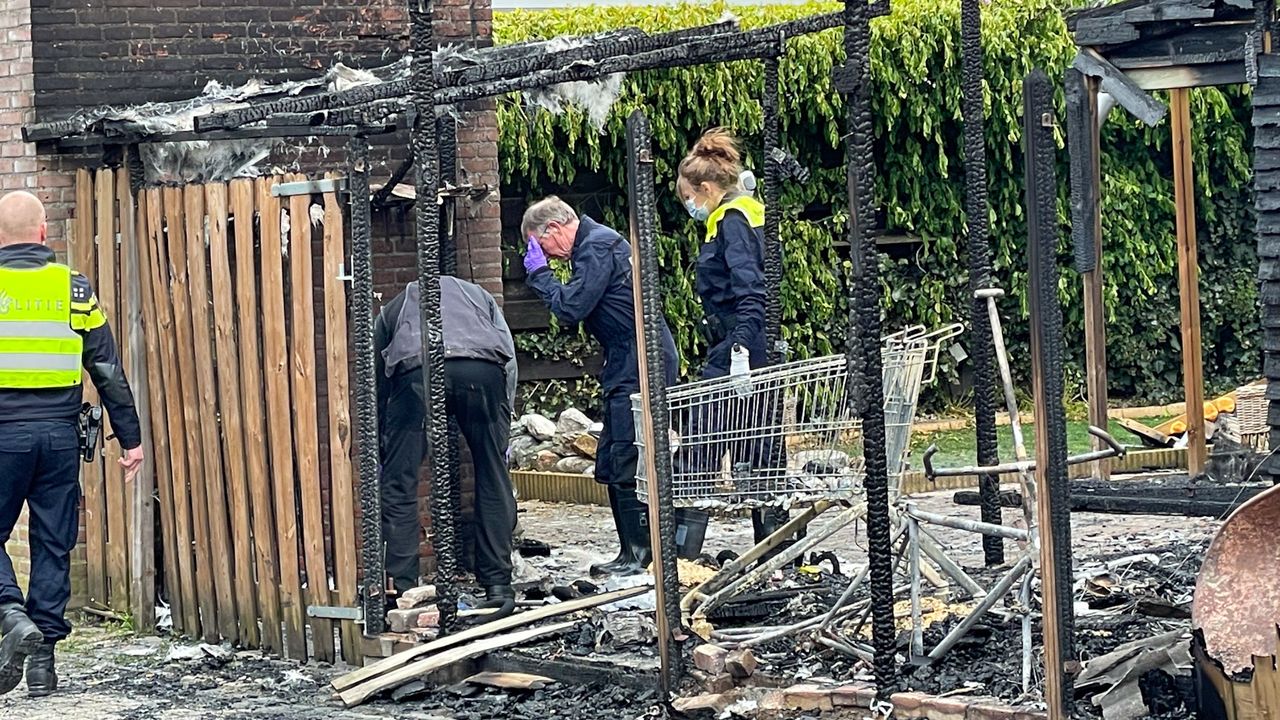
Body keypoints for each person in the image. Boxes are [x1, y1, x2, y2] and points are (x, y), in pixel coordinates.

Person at [0, 191, 144, 698]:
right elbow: (106, 368)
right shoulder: (74, 289)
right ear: (44, 234)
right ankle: (42, 665)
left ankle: (11, 615)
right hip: (61, 438)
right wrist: (131, 438)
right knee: (53, 544)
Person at [522, 197, 679, 577]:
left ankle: (642, 553)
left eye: (542, 247)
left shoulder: (597, 246)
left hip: (640, 358)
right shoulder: (594, 247)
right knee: (611, 457)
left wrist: (540, 276)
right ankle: (631, 550)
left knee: (628, 452)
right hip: (626, 357)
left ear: (555, 229)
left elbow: (571, 307)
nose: (549, 257)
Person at [676, 128, 791, 549]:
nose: (688, 205)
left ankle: (680, 555)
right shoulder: (745, 212)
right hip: (746, 340)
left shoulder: (731, 221)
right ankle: (776, 549)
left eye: (688, 196)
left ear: (705, 189)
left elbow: (750, 287)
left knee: (701, 445)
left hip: (738, 343)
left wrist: (740, 346)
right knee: (759, 446)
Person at [375, 276, 519, 604]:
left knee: (400, 482)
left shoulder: (395, 306)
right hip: (481, 371)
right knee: (492, 474)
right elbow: (508, 358)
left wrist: (386, 441)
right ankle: (498, 585)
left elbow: (378, 377)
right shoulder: (481, 297)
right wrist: (501, 427)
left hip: (415, 371)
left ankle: (401, 587)